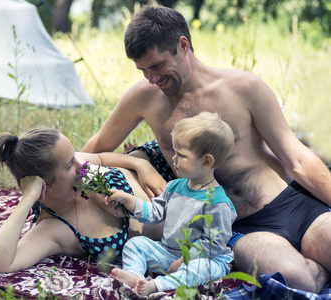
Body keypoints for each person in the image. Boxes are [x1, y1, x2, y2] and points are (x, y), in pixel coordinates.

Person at [82, 6, 331, 293]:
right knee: (296, 279)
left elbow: (297, 157)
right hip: (240, 227)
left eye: (158, 66)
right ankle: (319, 268)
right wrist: (140, 165)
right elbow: (94, 148)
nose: (152, 79)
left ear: (183, 45)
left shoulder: (244, 88)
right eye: (143, 71)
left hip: (291, 205)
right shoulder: (144, 98)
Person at [0, 128, 164, 273]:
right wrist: (26, 200)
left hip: (164, 164)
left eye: (74, 156)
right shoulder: (54, 229)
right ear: (45, 186)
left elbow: (100, 158)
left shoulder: (74, 164)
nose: (82, 164)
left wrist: (141, 165)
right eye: (70, 165)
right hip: (180, 214)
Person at [104, 112, 236, 295]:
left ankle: (156, 286)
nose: (173, 159)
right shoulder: (174, 187)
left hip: (204, 259)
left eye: (181, 155)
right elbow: (155, 212)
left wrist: (184, 260)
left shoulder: (218, 203)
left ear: (206, 161)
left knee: (199, 269)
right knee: (137, 244)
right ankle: (134, 275)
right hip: (168, 253)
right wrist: (129, 200)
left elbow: (212, 245)